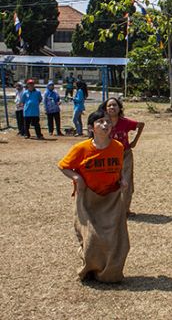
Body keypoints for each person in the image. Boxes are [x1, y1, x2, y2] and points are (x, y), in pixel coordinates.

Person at [58, 110, 128, 282]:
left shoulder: (117, 147)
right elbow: (63, 166)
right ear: (91, 128)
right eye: (100, 122)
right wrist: (77, 177)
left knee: (115, 240)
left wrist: (123, 180)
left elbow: (118, 170)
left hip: (110, 199)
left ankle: (109, 273)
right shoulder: (81, 148)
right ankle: (89, 269)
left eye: (108, 122)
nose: (105, 125)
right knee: (91, 238)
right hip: (88, 198)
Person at [100, 97, 145, 216]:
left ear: (119, 108)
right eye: (109, 105)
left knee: (127, 182)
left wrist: (135, 141)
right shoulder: (102, 123)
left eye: (114, 105)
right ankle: (108, 209)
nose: (112, 107)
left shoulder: (125, 122)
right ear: (105, 109)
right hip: (108, 156)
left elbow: (141, 125)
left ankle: (125, 210)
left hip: (125, 154)